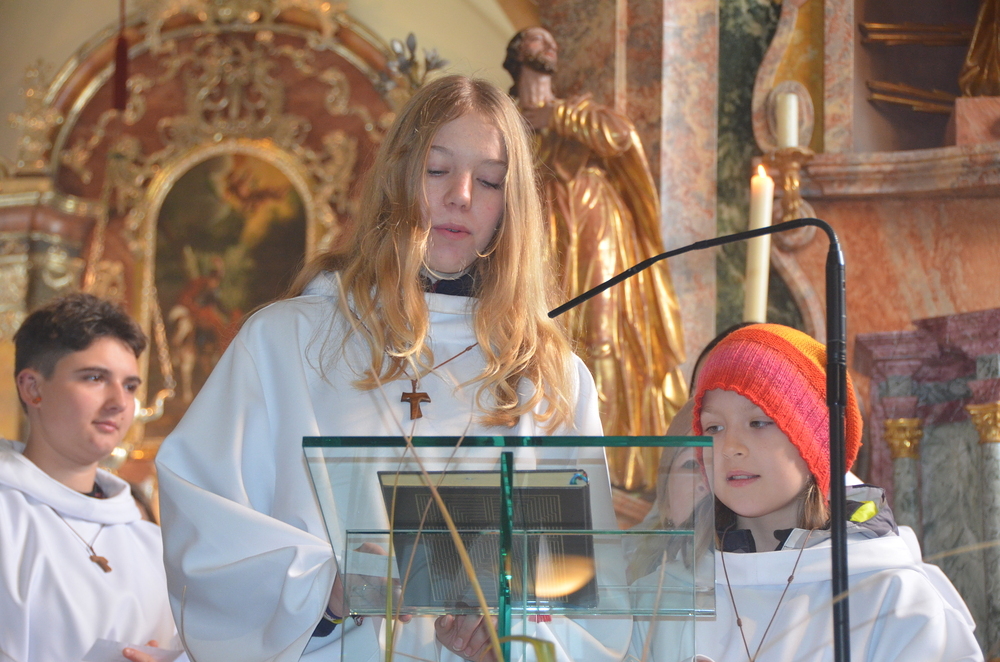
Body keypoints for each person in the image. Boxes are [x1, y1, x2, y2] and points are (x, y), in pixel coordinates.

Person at [155, 75, 629, 662]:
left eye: (489, 181)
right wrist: (321, 589)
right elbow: (204, 521)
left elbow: (590, 599)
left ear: (512, 206)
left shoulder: (549, 377)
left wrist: (510, 635)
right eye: (437, 169)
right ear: (396, 177)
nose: (461, 195)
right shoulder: (287, 342)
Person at [628, 323, 983, 661]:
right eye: (714, 428)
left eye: (759, 422)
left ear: (814, 440)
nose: (730, 447)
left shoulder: (890, 597)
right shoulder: (662, 598)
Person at [503, 27, 687, 492]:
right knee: (545, 336)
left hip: (593, 219)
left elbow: (621, 136)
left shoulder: (578, 109)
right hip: (539, 231)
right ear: (518, 54)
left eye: (552, 40)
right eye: (537, 40)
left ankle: (614, 465)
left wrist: (559, 116)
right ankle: (557, 454)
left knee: (603, 335)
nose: (549, 45)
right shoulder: (505, 120)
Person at [0, 293, 179, 662]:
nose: (120, 402)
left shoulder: (152, 543)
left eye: (130, 386)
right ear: (32, 388)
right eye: (95, 378)